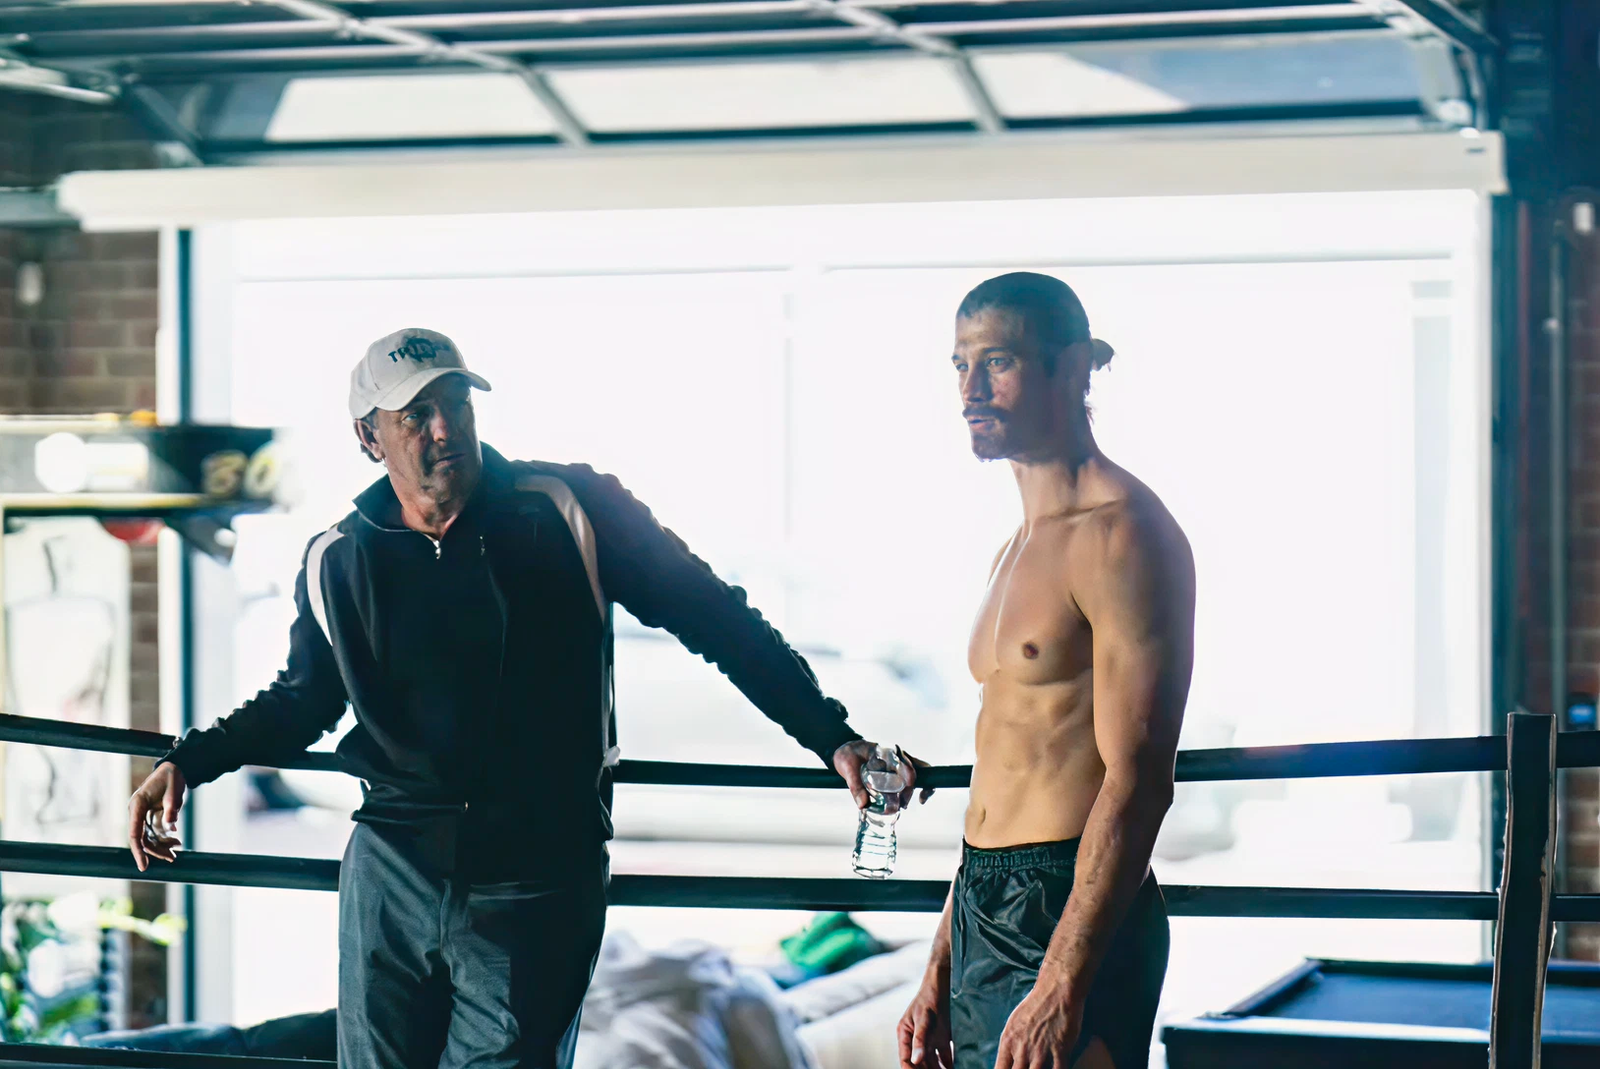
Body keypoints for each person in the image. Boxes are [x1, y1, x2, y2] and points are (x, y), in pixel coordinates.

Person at [127, 327, 913, 1069]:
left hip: (537, 876)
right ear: (370, 437)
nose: (445, 429)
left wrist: (831, 736)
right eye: (417, 414)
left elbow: (717, 618)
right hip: (390, 873)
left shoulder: (570, 508)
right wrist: (189, 762)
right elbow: (303, 700)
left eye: (457, 404)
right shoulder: (338, 555)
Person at [898, 274, 1195, 1069]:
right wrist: (942, 960)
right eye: (959, 364)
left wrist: (1063, 979)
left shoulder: (1123, 533)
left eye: (997, 362)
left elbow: (1140, 781)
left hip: (1070, 903)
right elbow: (1005, 765)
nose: (970, 388)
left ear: (1073, 366)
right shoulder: (1016, 546)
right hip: (984, 897)